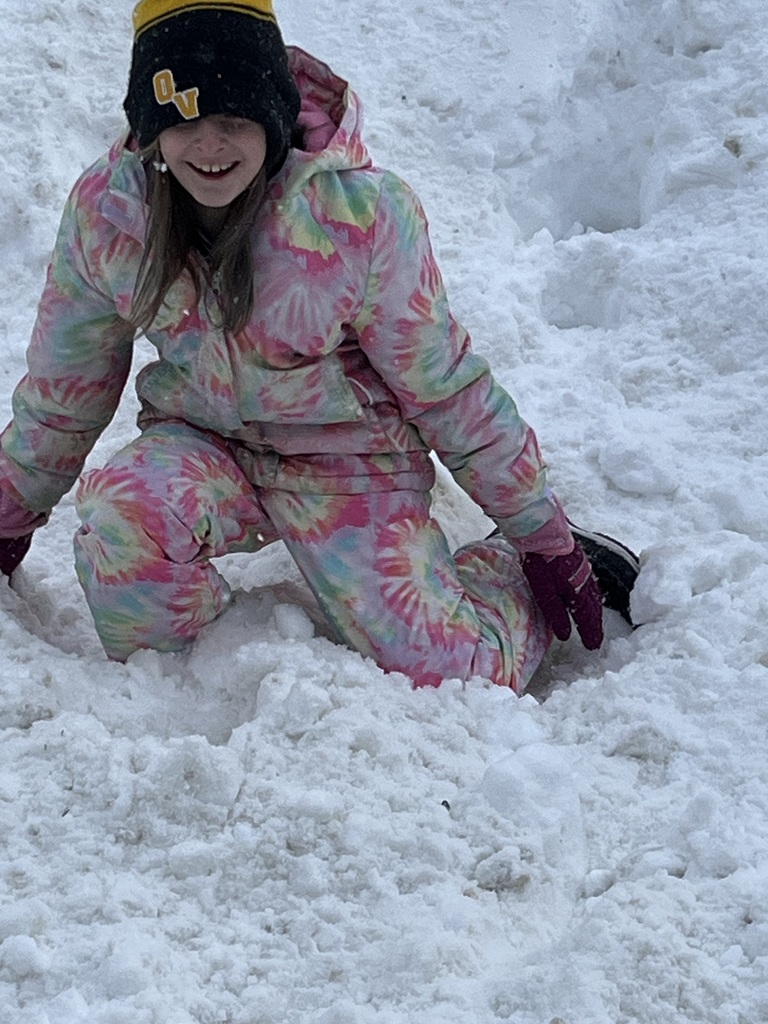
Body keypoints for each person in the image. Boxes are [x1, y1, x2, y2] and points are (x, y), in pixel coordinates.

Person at [0, 0, 639, 692]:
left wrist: (537, 533)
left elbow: (446, 389)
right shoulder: (111, 214)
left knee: (454, 674)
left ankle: (500, 574)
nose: (210, 146)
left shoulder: (361, 215)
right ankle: (208, 687)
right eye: (184, 121)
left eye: (233, 119)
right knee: (119, 532)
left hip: (350, 462)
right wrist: (11, 506)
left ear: (271, 111)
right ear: (151, 126)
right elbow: (68, 386)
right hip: (205, 442)